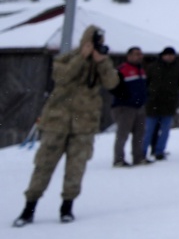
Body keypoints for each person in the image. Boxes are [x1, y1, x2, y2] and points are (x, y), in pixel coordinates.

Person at [14, 24, 119, 225]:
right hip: (57, 121)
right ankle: (29, 208)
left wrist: (102, 63)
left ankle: (67, 207)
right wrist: (82, 57)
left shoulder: (102, 62)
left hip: (84, 123)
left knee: (76, 167)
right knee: (44, 164)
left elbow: (112, 84)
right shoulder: (67, 58)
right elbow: (61, 77)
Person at [142, 46, 179, 162]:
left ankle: (159, 151)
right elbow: (146, 83)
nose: (170, 57)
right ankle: (141, 152)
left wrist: (174, 93)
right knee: (149, 130)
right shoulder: (153, 67)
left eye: (172, 55)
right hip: (153, 103)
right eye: (167, 55)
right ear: (162, 56)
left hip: (169, 103)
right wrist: (150, 94)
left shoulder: (178, 68)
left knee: (165, 130)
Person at [110, 46, 149, 167]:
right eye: (136, 54)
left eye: (140, 54)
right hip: (125, 107)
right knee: (123, 134)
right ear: (129, 56)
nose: (139, 56)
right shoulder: (122, 70)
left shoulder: (141, 70)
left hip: (139, 107)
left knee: (139, 133)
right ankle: (119, 159)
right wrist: (125, 96)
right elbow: (112, 86)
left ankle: (138, 157)